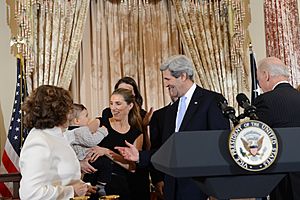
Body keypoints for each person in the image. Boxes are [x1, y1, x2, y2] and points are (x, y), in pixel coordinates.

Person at [116, 55, 230, 200]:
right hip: (173, 189)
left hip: (201, 188)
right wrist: (140, 156)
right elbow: (168, 150)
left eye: (168, 79)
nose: (165, 85)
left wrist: (217, 188)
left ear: (183, 76)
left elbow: (218, 145)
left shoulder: (212, 100)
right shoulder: (170, 111)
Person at [19, 85, 95, 200]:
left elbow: (60, 177)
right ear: (59, 112)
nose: (70, 116)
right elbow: (31, 194)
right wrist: (72, 191)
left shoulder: (56, 136)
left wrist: (82, 187)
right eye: (68, 110)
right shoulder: (39, 141)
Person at [253, 57, 300, 200]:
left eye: (258, 79)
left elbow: (257, 136)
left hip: (282, 177)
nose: (259, 85)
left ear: (266, 75)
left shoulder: (265, 100)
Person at [87, 88, 144, 200]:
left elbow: (132, 167)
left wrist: (106, 152)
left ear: (130, 106)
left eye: (118, 104)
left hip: (120, 188)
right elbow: (79, 139)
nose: (113, 108)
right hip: (93, 184)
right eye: (111, 103)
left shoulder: (137, 134)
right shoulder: (99, 122)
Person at [101, 77, 152, 199]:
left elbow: (145, 152)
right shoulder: (107, 115)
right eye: (112, 103)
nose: (114, 107)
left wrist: (145, 128)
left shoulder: (142, 119)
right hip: (108, 181)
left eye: (127, 91)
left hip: (133, 179)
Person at [64, 103, 112, 197]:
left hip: (78, 161)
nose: (88, 119)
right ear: (77, 121)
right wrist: (102, 131)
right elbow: (91, 141)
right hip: (86, 158)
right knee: (106, 164)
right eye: (86, 116)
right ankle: (101, 186)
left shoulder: (68, 131)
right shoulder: (80, 131)